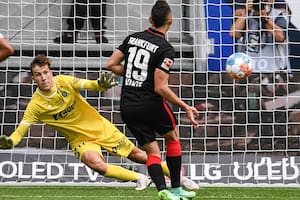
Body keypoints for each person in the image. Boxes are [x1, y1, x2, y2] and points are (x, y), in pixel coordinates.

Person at [0, 54, 198, 193]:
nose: (43, 78)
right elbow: (21, 130)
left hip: (100, 128)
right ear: (33, 78)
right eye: (38, 74)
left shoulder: (64, 82)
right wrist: (10, 141)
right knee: (96, 164)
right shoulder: (36, 105)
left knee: (138, 155)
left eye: (45, 72)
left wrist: (100, 85)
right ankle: (139, 178)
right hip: (80, 140)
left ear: (50, 72)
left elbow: (88, 85)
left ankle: (178, 177)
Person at [106, 1, 199, 199]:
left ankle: (162, 191)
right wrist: (185, 106)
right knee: (172, 138)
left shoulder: (132, 38)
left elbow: (111, 64)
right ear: (171, 21)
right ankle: (175, 188)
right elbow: (160, 87)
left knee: (152, 151)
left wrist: (134, 74)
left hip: (128, 105)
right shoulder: (166, 49)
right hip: (151, 103)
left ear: (150, 20)